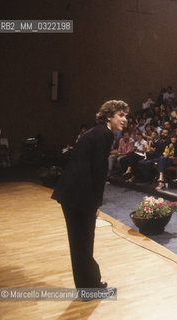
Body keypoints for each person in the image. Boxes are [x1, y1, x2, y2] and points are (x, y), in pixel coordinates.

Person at [52, 100, 129, 289]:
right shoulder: (104, 134)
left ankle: (88, 284)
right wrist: (96, 203)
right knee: (83, 242)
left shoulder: (95, 132)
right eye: (120, 115)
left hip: (73, 193)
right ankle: (89, 288)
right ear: (109, 116)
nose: (125, 119)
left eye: (126, 115)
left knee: (80, 243)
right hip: (80, 195)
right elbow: (98, 170)